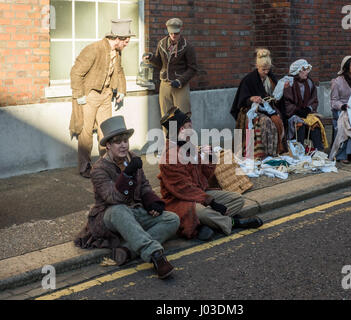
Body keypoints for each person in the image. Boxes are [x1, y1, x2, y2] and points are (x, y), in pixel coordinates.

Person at [74, 116, 180, 279]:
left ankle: (128, 250)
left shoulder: (132, 157)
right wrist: (128, 173)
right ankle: (156, 256)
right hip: (109, 215)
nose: (123, 145)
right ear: (108, 145)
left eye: (125, 140)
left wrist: (152, 202)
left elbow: (144, 185)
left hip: (134, 211)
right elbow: (113, 198)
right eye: (118, 142)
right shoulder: (98, 169)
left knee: (172, 219)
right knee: (119, 210)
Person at [157, 107, 263, 241]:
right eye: (190, 127)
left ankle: (209, 224)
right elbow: (184, 189)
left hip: (199, 194)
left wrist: (210, 158)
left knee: (237, 199)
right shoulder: (169, 156)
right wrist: (211, 202)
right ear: (181, 130)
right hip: (180, 200)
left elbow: (204, 177)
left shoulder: (188, 145)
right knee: (202, 212)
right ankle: (234, 222)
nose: (193, 131)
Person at [70, 19, 132, 178]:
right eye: (125, 40)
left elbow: (119, 71)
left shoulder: (117, 51)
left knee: (107, 133)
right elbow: (76, 72)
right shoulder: (94, 49)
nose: (127, 43)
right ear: (117, 38)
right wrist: (80, 95)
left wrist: (122, 90)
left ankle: (107, 165)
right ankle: (85, 167)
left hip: (106, 94)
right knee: (86, 134)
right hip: (90, 95)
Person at [230, 49, 287, 159]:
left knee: (278, 119)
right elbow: (242, 99)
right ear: (257, 66)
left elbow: (276, 98)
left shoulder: (271, 78)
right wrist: (252, 98)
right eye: (263, 69)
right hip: (251, 110)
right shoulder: (248, 79)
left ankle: (276, 151)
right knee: (266, 122)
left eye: (268, 69)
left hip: (268, 109)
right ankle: (262, 153)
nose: (266, 72)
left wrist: (281, 89)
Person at [143, 18, 198, 117]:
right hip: (165, 84)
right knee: (168, 116)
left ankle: (182, 133)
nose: (173, 36)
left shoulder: (187, 46)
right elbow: (160, 64)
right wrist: (151, 58)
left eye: (176, 33)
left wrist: (180, 81)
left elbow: (192, 69)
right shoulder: (161, 44)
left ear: (180, 31)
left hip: (180, 85)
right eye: (171, 33)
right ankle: (171, 133)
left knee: (182, 115)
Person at [283, 59, 328, 152]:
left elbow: (314, 100)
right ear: (297, 71)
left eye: (307, 69)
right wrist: (296, 110)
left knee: (316, 125)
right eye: (304, 70)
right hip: (292, 115)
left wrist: (308, 108)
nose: (307, 72)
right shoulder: (289, 84)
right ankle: (299, 152)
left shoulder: (309, 83)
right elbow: (285, 102)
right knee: (300, 124)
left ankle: (318, 152)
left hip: (307, 114)